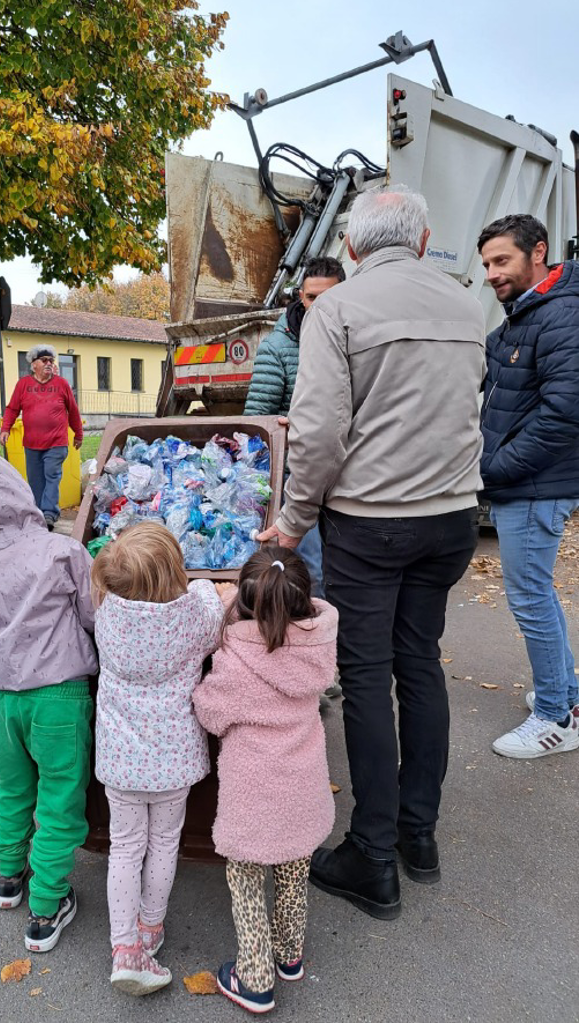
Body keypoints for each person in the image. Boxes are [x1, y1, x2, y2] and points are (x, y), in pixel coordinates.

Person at [258, 187, 485, 919]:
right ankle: (420, 838)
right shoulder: (465, 305)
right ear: (422, 244)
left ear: (352, 248)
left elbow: (319, 433)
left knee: (365, 676)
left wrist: (292, 523)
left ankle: (372, 855)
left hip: (371, 523)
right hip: (450, 518)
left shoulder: (338, 310)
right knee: (420, 663)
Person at [0, 453, 96, 953]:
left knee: (12, 789)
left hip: (5, 699)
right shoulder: (62, 551)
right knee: (59, 800)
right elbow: (95, 615)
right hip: (60, 697)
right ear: (20, 492)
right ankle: (47, 905)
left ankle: (8, 876)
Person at [193, 546, 338, 1015]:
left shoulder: (236, 659)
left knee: (248, 880)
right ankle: (289, 954)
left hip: (253, 795)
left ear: (247, 603)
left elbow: (211, 714)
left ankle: (255, 978)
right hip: (303, 785)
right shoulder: (318, 648)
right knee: (296, 869)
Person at [91, 522, 224, 996]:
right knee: (165, 842)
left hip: (121, 762)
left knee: (125, 848)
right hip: (174, 762)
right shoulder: (194, 621)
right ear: (175, 572)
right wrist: (209, 586)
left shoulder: (106, 615)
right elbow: (211, 600)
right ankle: (152, 928)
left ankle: (126, 949)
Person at [477, 214, 579, 759]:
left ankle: (554, 719)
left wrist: (493, 468)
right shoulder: (525, 315)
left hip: (535, 484)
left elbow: (564, 414)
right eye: (487, 263)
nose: (492, 274)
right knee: (539, 592)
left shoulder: (561, 313)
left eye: (502, 261)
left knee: (531, 597)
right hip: (527, 481)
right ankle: (569, 697)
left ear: (537, 252)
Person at [244, 258, 346, 598]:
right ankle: (313, 638)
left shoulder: (355, 336)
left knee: (346, 568)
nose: (319, 305)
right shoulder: (278, 348)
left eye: (328, 296)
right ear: (300, 296)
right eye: (312, 297)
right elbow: (257, 420)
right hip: (300, 476)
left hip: (348, 474)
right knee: (311, 567)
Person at [0, 344, 83, 530]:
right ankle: (38, 513)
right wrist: (5, 428)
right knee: (36, 480)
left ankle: (50, 514)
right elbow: (12, 408)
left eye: (51, 361)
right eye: (44, 360)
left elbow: (73, 410)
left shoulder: (62, 384)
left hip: (57, 442)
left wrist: (78, 433)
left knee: (52, 476)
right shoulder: (23, 384)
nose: (49, 364)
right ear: (33, 364)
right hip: (32, 443)